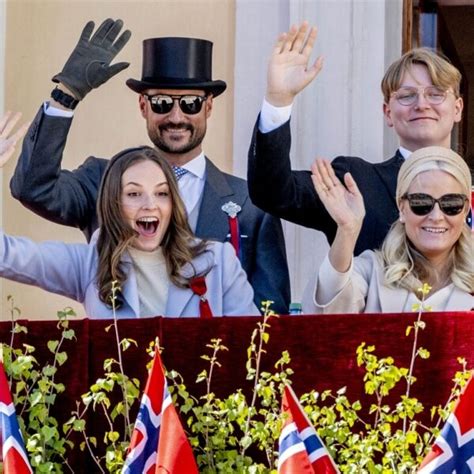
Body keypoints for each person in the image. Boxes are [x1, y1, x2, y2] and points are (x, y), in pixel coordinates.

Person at [11, 19, 290, 314]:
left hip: (213, 358)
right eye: (161, 103)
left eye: (191, 104)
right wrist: (66, 95)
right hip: (119, 355)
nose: (176, 116)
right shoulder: (103, 181)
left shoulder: (250, 203)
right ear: (143, 106)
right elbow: (32, 188)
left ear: (209, 106)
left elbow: (271, 315)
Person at [247, 22, 464, 255]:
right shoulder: (355, 181)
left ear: (458, 108)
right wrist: (278, 101)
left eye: (435, 94)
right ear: (388, 113)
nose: (422, 105)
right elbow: (273, 192)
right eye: (407, 96)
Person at [1, 124, 259, 318]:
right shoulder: (89, 263)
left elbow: (251, 351)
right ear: (113, 204)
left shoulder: (218, 261)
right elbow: (7, 255)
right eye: (134, 194)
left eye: (161, 193)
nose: (150, 204)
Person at [302, 146, 473, 313]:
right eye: (421, 203)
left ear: (465, 210)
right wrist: (347, 230)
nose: (436, 217)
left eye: (451, 204)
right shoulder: (371, 271)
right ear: (402, 208)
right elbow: (325, 313)